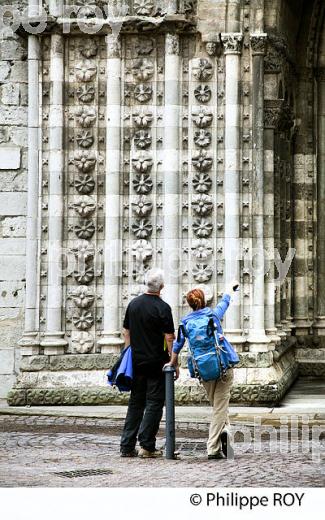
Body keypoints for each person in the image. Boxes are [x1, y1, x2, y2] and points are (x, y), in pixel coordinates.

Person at [165, 281, 239, 460]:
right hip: (222, 366)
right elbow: (225, 303)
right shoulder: (212, 316)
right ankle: (213, 447)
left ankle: (226, 433)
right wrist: (230, 289)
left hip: (203, 370)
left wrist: (172, 364)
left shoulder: (185, 322)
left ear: (189, 304)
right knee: (220, 407)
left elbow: (177, 345)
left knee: (218, 406)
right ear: (204, 301)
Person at [120, 268, 176, 459]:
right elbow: (170, 337)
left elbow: (126, 331)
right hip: (156, 363)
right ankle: (147, 446)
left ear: (146, 284)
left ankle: (127, 446)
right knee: (154, 403)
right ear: (161, 286)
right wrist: (173, 361)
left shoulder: (133, 304)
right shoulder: (163, 307)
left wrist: (128, 351)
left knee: (135, 403)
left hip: (136, 362)